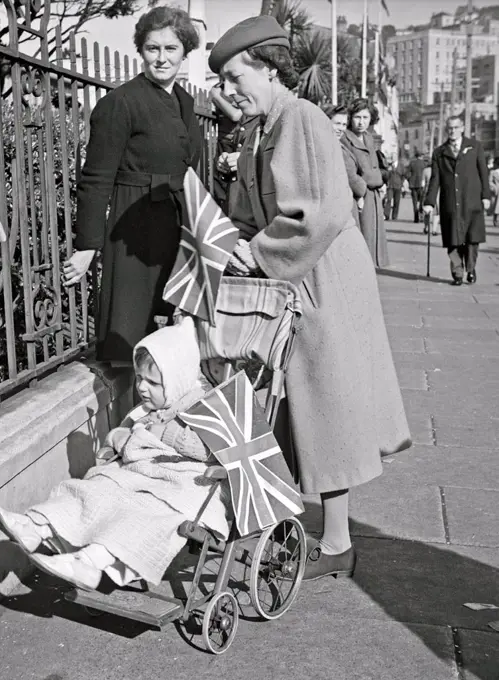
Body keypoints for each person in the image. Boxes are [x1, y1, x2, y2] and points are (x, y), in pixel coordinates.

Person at [209, 16, 411, 581]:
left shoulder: (300, 118)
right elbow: (262, 210)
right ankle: (310, 529)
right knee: (304, 407)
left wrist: (259, 251)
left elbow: (316, 212)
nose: (228, 91)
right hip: (302, 276)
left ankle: (339, 542)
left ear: (269, 68)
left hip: (323, 280)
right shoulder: (265, 126)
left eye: (234, 76)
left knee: (325, 406)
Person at [0, 318, 231, 591]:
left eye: (152, 382)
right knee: (94, 489)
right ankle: (37, 525)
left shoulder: (202, 406)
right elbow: (129, 429)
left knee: (141, 514)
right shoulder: (150, 409)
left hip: (187, 481)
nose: (141, 387)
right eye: (139, 378)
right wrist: (119, 438)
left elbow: (212, 449)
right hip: (143, 472)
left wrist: (165, 433)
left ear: (177, 381)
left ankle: (88, 562)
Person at [62, 6, 202, 364]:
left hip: (175, 220)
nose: (161, 58)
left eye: (171, 49)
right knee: (129, 327)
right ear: (140, 50)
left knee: (170, 325)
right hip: (133, 223)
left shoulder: (185, 102)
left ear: (184, 51)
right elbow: (95, 178)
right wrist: (87, 245)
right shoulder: (119, 103)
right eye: (152, 48)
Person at [423, 115, 491, 286]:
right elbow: (435, 179)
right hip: (451, 202)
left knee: (472, 239)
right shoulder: (439, 152)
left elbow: (484, 173)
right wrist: (429, 202)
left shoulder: (474, 147)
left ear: (462, 128)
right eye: (449, 128)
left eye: (455, 128)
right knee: (453, 239)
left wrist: (486, 196)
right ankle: (457, 272)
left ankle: (470, 267)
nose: (452, 131)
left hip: (472, 200)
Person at [341, 98, 389, 268]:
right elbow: (357, 174)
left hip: (372, 197)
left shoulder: (369, 138)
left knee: (372, 238)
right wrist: (377, 179)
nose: (361, 122)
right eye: (357, 117)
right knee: (361, 239)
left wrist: (375, 178)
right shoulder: (345, 139)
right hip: (359, 198)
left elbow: (373, 169)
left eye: (365, 118)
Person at [210, 83, 259, 213]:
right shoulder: (219, 87)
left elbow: (236, 115)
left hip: (240, 142)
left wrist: (217, 97)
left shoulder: (242, 87)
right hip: (225, 142)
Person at [325, 104, 363, 227]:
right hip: (339, 208)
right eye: (337, 123)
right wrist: (362, 189)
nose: (341, 128)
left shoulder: (339, 145)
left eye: (344, 125)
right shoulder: (331, 147)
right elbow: (351, 177)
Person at [406, 152, 426, 224]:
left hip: (413, 185)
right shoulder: (424, 164)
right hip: (421, 185)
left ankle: (416, 217)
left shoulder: (412, 163)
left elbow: (407, 173)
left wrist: (409, 180)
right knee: (422, 201)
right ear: (421, 156)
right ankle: (421, 215)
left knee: (414, 202)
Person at [421, 158, 438, 236]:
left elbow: (422, 184)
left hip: (427, 192)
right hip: (438, 192)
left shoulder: (425, 171)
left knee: (427, 211)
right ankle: (434, 229)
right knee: (436, 212)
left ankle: (426, 227)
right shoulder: (439, 170)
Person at [489, 156, 499, 227]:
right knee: (496, 207)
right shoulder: (492, 172)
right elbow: (489, 182)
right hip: (497, 192)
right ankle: (495, 219)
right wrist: (494, 188)